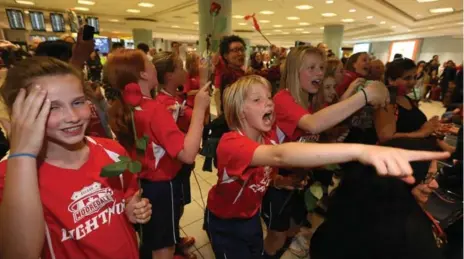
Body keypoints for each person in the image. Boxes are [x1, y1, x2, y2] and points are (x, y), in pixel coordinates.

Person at [203, 74, 449, 259]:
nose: (268, 103)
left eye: (268, 97)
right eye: (257, 100)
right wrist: (360, 150)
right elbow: (280, 155)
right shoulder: (231, 143)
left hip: (250, 217)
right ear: (238, 111)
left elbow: (280, 160)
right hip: (226, 222)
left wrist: (282, 181)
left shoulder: (266, 138)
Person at [0, 56, 151, 259]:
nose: (72, 116)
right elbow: (19, 253)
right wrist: (22, 153)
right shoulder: (9, 177)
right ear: (20, 114)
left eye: (78, 102)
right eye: (52, 107)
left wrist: (130, 208)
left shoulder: (112, 151)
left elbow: (127, 194)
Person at [263, 46, 389, 258]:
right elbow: (313, 125)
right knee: (277, 235)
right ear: (294, 71)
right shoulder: (283, 99)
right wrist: (365, 96)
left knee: (292, 229)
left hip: (298, 179)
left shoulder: (309, 100)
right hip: (276, 182)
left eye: (321, 67)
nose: (319, 73)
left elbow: (318, 129)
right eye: (311, 68)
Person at [106, 49, 210, 259]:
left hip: (141, 182)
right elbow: (188, 155)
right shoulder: (153, 109)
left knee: (149, 239)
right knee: (164, 247)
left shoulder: (127, 107)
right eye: (149, 63)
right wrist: (199, 109)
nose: (154, 66)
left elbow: (142, 145)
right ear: (143, 74)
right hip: (161, 187)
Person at [310, 138, 447, 259]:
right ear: (399, 180)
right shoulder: (410, 233)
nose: (435, 184)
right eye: (428, 176)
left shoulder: (352, 203)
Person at [375, 58, 441, 144]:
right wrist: (421, 133)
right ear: (391, 80)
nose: (413, 82)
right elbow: (386, 138)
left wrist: (429, 125)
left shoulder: (406, 98)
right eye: (407, 78)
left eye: (414, 77)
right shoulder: (386, 101)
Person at [218, 35, 247, 112]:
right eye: (235, 50)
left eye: (242, 49)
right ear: (226, 56)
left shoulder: (241, 72)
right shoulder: (228, 75)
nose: (240, 53)